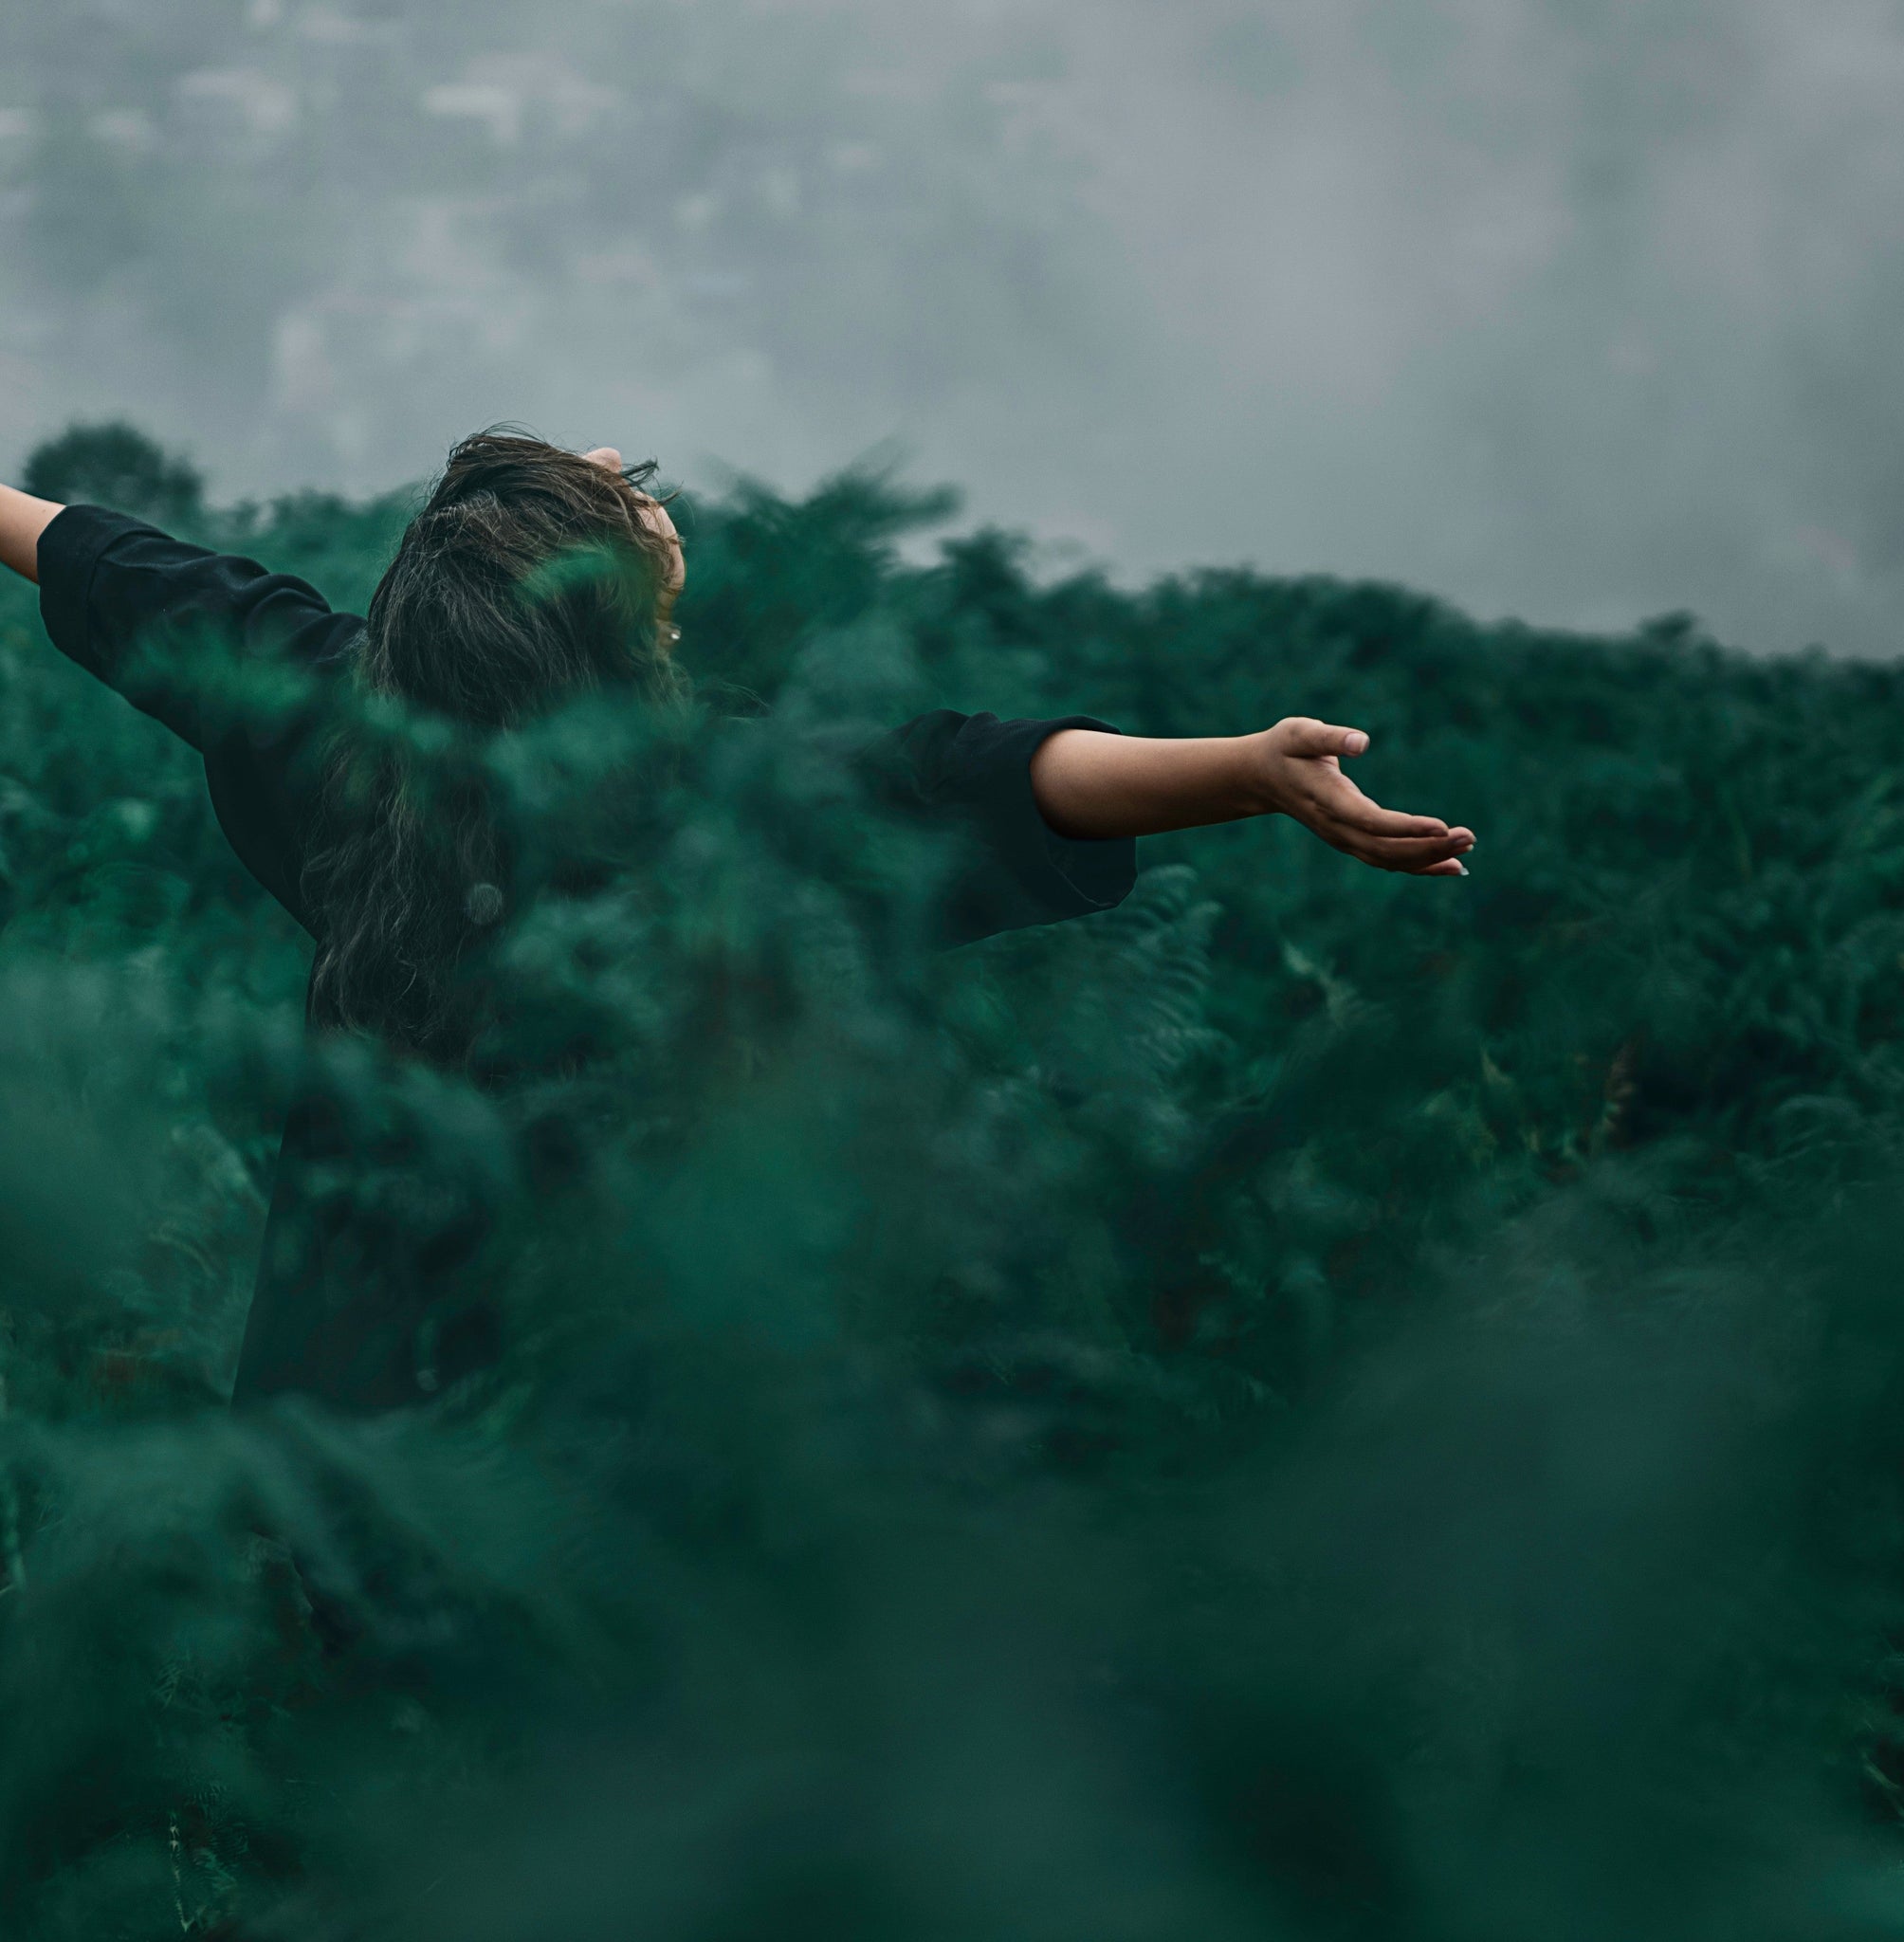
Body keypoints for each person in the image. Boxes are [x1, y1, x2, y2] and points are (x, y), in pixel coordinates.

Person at [0, 432, 1474, 1417]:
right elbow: (965, 776)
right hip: (601, 1396)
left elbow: (103, 563)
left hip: (339, 1379)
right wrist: (1246, 773)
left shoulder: (320, 707)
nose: (626, 469)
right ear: (614, 636)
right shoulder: (699, 797)